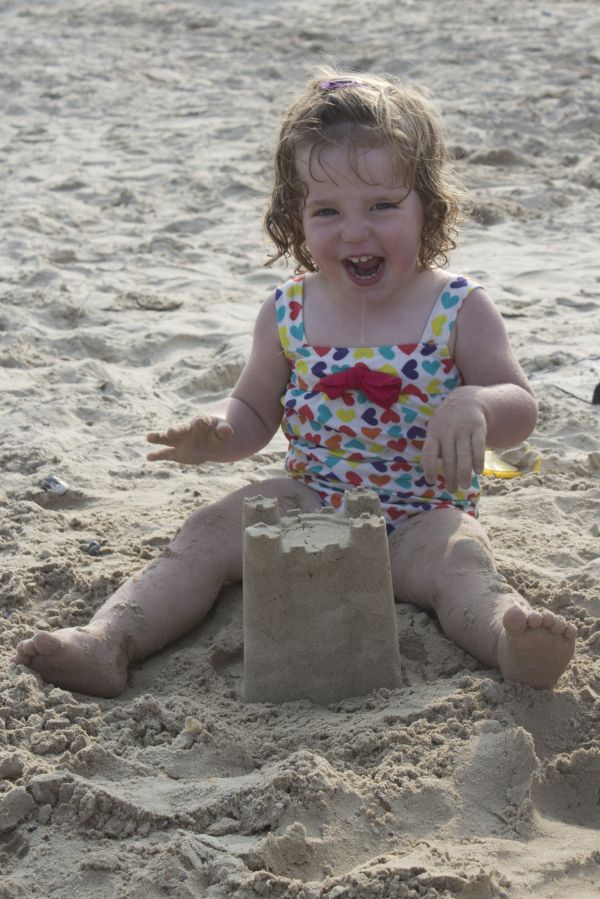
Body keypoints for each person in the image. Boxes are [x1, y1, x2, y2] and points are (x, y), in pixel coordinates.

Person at [14, 68, 577, 697]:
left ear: (429, 205)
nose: (355, 231)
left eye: (383, 206)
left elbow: (522, 407)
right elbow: (256, 410)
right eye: (327, 210)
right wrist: (220, 436)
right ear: (296, 218)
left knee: (463, 566)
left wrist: (475, 402)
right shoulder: (288, 310)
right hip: (313, 506)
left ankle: (509, 638)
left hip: (422, 516)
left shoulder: (458, 307)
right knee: (205, 533)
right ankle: (108, 638)